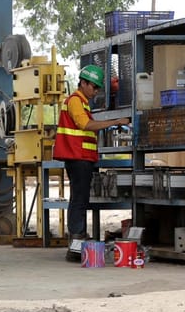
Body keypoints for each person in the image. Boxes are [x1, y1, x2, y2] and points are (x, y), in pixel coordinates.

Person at [52, 63, 128, 255]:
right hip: (78, 157)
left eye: (98, 88)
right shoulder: (75, 101)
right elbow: (85, 124)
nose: (95, 91)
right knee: (79, 199)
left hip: (82, 157)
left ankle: (78, 239)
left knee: (80, 198)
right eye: (93, 87)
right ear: (83, 83)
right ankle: (77, 239)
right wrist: (116, 122)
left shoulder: (83, 103)